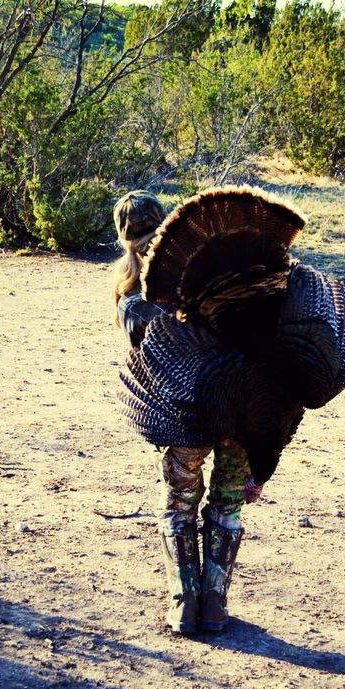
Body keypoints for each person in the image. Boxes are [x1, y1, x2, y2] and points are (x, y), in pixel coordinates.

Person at [111, 190, 256, 634]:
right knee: (228, 504)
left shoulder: (131, 302)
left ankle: (183, 605)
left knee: (178, 503)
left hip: (184, 419)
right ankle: (214, 605)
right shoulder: (217, 278)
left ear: (124, 239)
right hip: (237, 414)